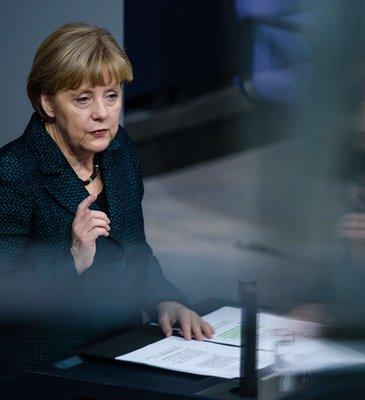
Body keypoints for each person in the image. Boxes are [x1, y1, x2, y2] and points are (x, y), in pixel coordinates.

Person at [0, 23, 213, 397]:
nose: (102, 113)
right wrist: (73, 258)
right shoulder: (14, 173)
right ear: (47, 102)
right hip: (44, 370)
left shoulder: (118, 151)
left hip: (121, 351)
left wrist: (165, 298)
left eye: (111, 96)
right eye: (82, 99)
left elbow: (135, 249)